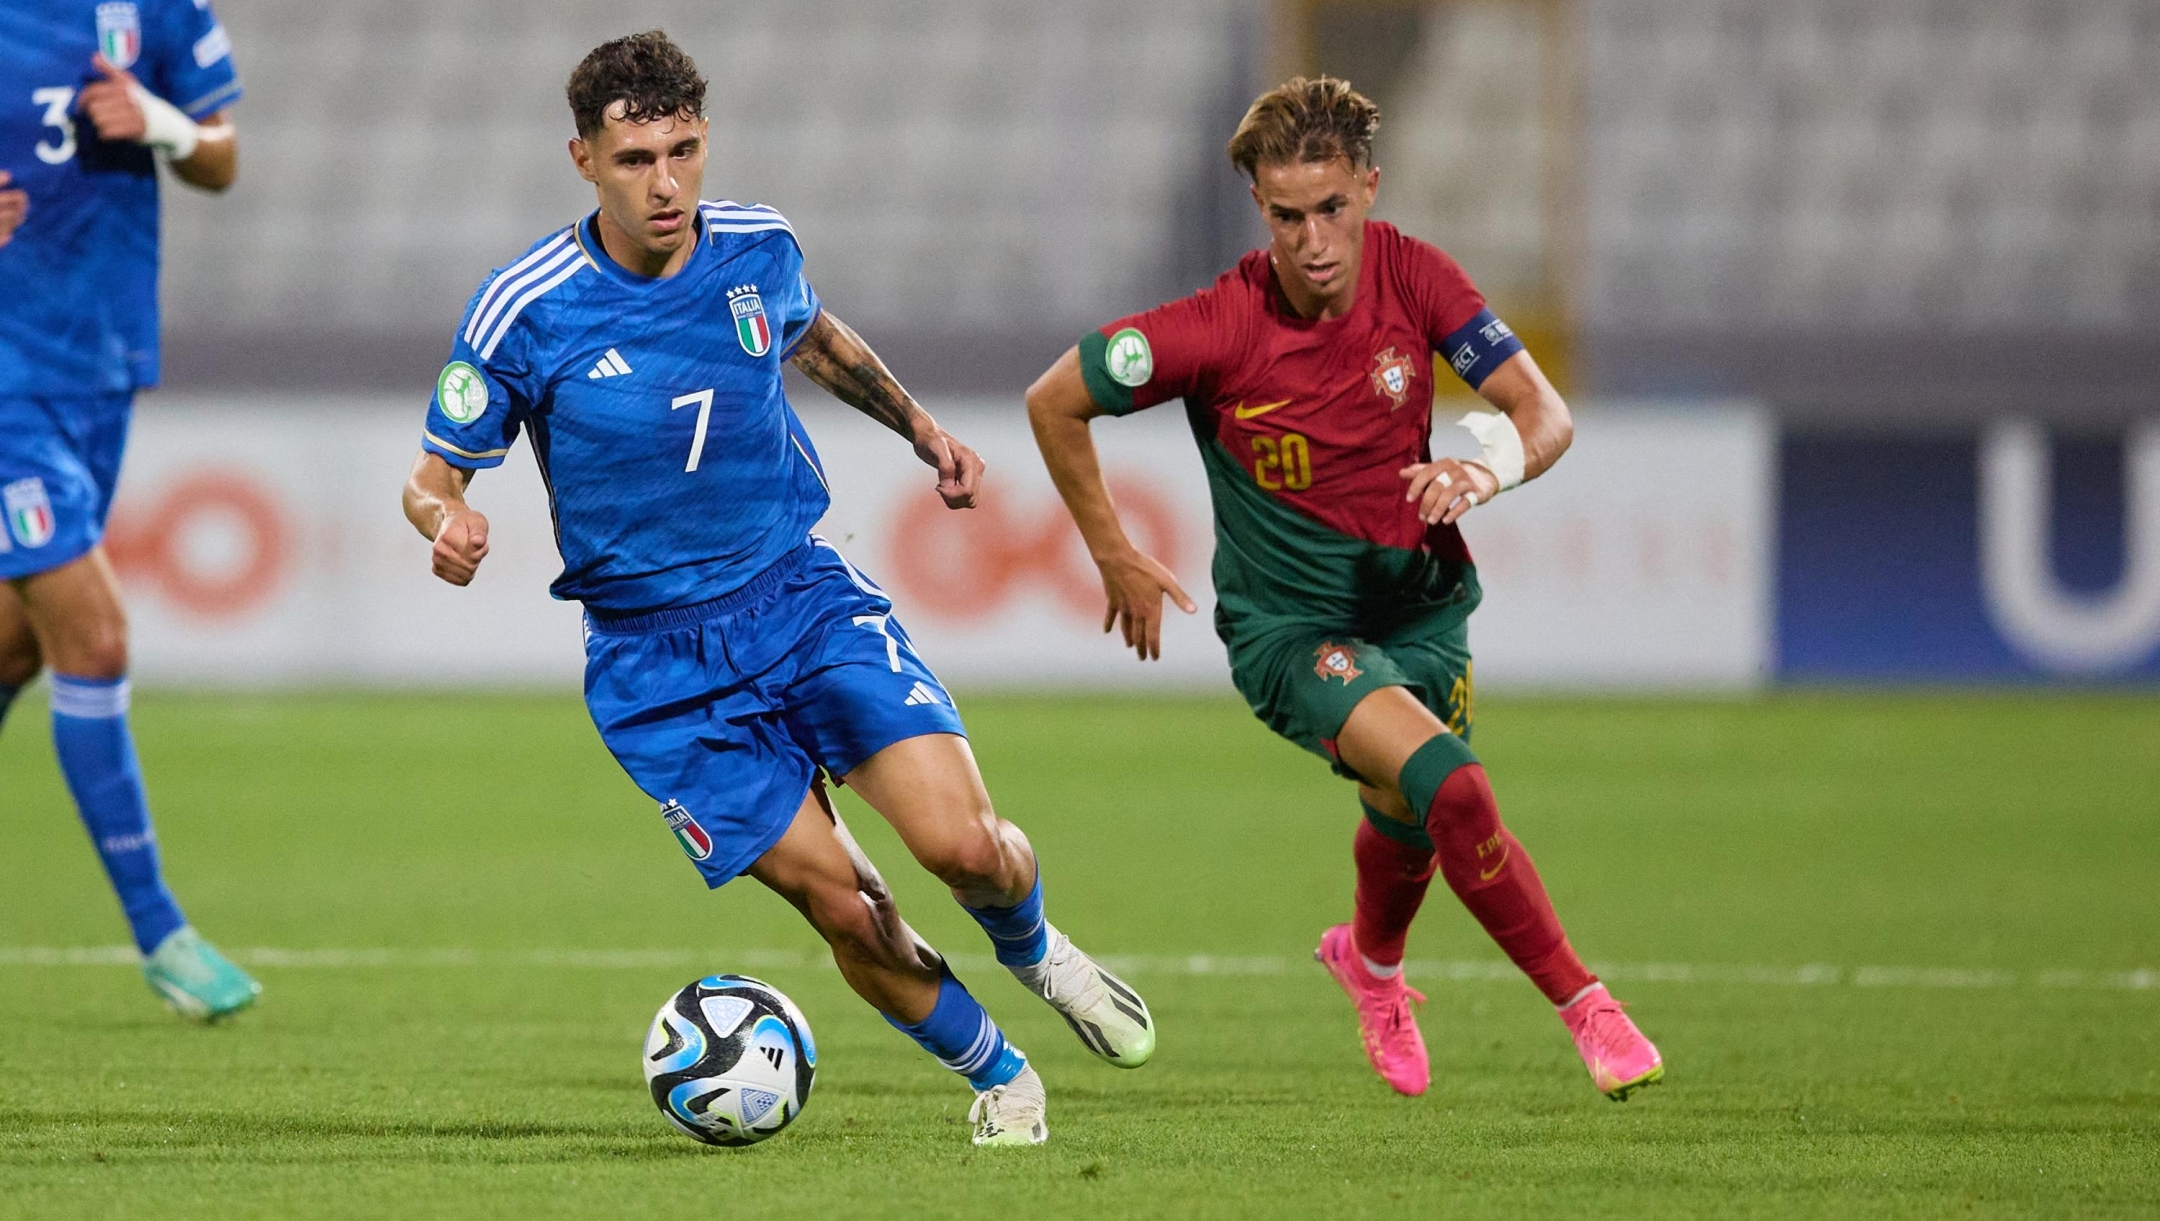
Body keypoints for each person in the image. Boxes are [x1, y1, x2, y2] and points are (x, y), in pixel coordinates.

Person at [401, 31, 1154, 1148]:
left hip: (798, 599)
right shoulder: (528, 306)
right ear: (583, 160)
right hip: (657, 668)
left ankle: (1036, 947)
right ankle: (1004, 1078)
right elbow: (431, 476)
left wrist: (921, 429)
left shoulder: (758, 245)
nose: (665, 184)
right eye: (635, 160)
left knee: (967, 850)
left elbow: (816, 338)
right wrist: (447, 521)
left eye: (683, 151)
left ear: (706, 141)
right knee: (849, 905)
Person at [1025, 77, 1662, 1100]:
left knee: (1408, 818)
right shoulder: (1218, 327)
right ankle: (1589, 1007)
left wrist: (1485, 469)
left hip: (1422, 607)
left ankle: (1368, 967)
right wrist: (1112, 550)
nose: (1314, 240)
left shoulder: (1416, 278)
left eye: (1330, 208)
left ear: (1368, 186)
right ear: (1260, 208)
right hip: (1292, 634)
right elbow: (1054, 398)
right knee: (1457, 787)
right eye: (1288, 217)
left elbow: (1542, 410)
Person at [0, 0, 259, 1019]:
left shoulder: (159, 9)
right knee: (94, 636)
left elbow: (221, 159)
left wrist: (162, 123)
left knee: (17, 644)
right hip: (6, 384)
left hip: (99, 366)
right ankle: (163, 934)